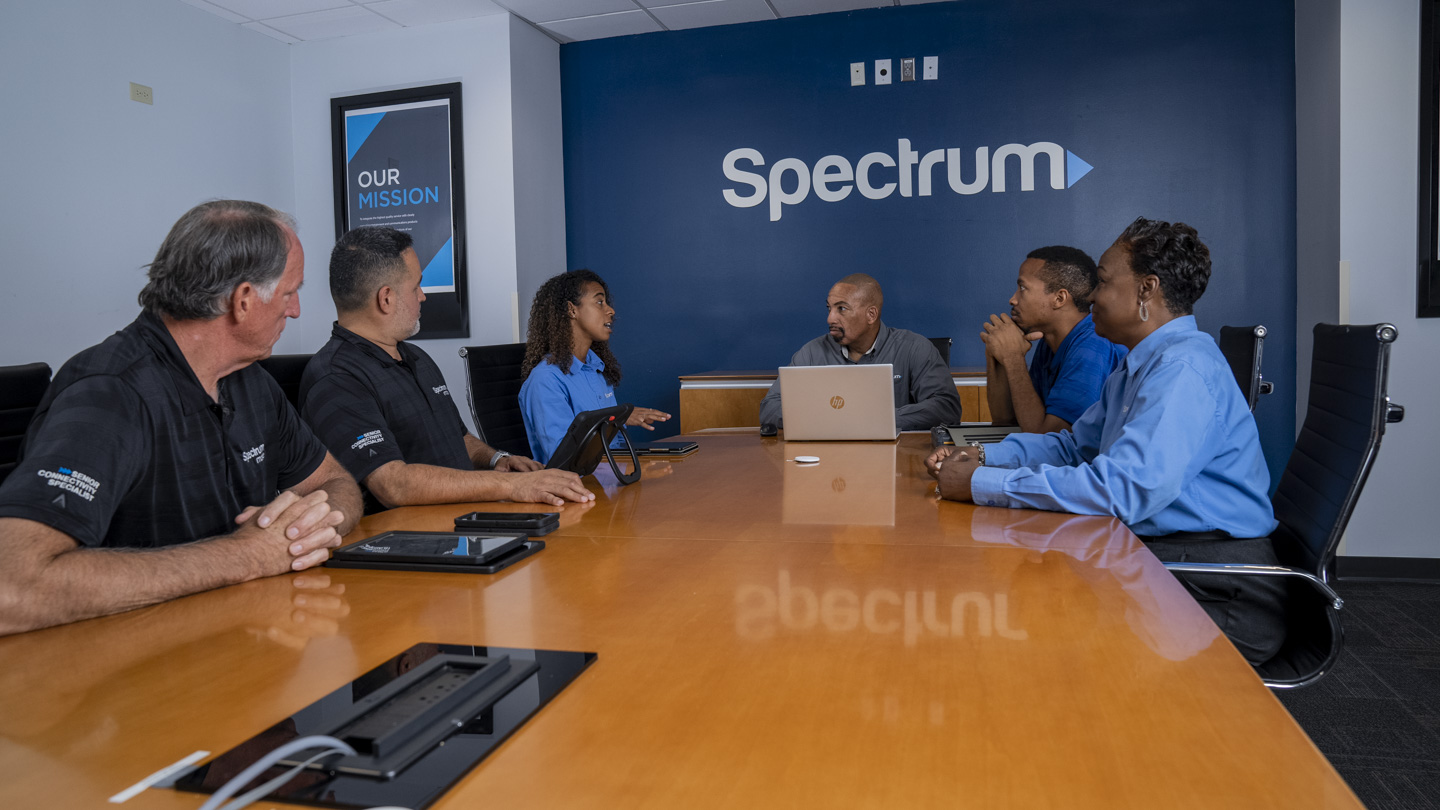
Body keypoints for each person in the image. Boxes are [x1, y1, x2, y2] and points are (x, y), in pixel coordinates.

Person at [926, 218, 1284, 665]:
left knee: (1050, 644)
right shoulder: (1139, 365)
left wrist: (982, 484)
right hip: (1164, 558)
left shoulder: (1182, 371)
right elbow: (1072, 446)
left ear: (1146, 290)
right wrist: (981, 455)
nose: (1091, 295)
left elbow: (1124, 491)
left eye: (1103, 281)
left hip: (1214, 584)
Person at [0, 200, 362, 637]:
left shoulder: (252, 381)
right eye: (290, 292)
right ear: (243, 300)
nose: (296, 310)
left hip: (242, 648)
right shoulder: (110, 392)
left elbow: (335, 482)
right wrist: (248, 556)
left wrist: (312, 528)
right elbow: (12, 586)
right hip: (131, 676)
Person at [300, 227, 595, 512]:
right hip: (409, 541)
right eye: (416, 286)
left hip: (463, 519)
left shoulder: (415, 357)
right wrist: (510, 486)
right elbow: (393, 484)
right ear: (386, 298)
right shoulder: (337, 378)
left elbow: (459, 436)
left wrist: (497, 460)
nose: (422, 296)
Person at [758, 273, 962, 432]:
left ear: (871, 314)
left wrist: (874, 420)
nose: (830, 318)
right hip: (826, 461)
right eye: (829, 308)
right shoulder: (812, 352)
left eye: (842, 309)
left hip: (895, 459)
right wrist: (823, 419)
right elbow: (770, 407)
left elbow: (946, 407)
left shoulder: (915, 348)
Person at [519, 269, 671, 465]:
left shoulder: (595, 368)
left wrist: (639, 463)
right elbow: (565, 458)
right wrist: (616, 418)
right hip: (581, 487)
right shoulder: (545, 380)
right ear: (572, 310)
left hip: (614, 473)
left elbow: (611, 447)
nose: (611, 310)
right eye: (600, 302)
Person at [983, 246, 1127, 433]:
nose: (1013, 299)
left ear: (1059, 298)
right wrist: (997, 353)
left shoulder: (1094, 344)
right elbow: (1005, 420)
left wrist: (1013, 358)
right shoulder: (1049, 343)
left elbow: (1047, 438)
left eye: (1022, 288)